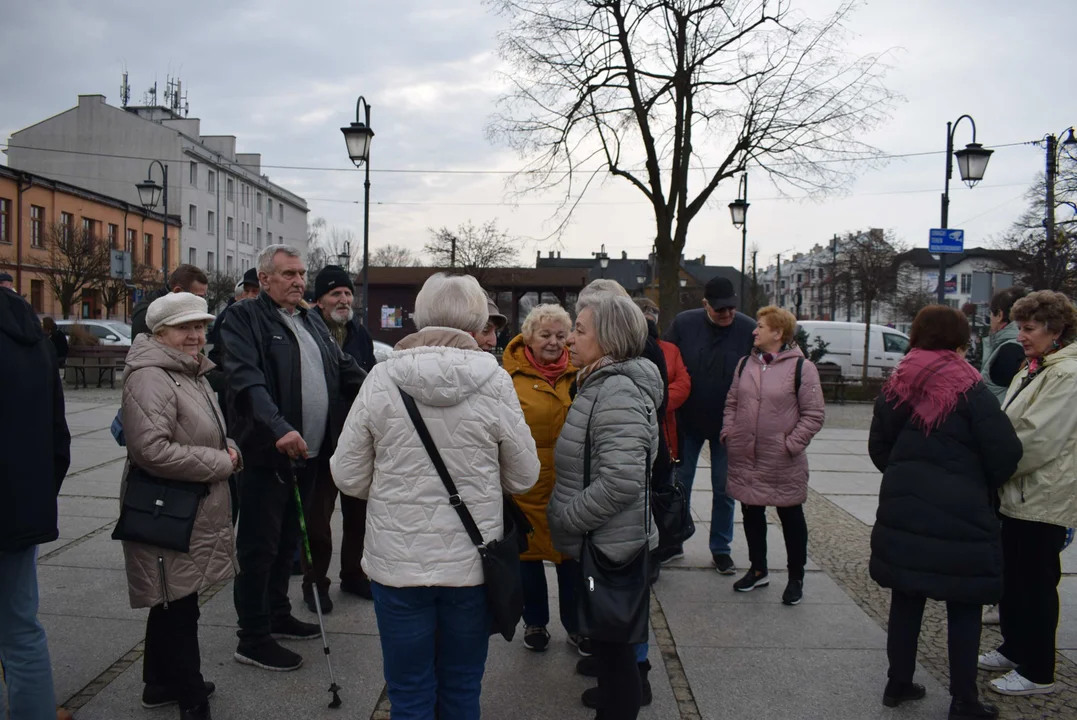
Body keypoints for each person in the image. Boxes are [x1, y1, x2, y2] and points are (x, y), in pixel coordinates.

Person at [331, 273, 540, 720]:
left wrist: (391, 488)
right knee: (462, 686)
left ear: (419, 315)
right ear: (478, 320)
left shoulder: (381, 378)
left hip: (398, 564)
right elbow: (524, 476)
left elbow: (347, 475)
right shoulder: (496, 381)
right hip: (471, 564)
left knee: (408, 692)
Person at [869, 305, 1021, 720]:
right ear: (958, 340)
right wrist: (976, 482)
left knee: (906, 597)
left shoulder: (896, 383)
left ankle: (898, 683)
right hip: (963, 512)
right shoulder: (970, 387)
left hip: (905, 507)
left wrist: (908, 478)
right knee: (965, 604)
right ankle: (963, 701)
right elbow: (1006, 452)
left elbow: (879, 448)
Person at [220, 245, 366, 672]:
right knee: (259, 547)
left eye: (302, 274)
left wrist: (390, 389)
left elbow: (344, 370)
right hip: (269, 454)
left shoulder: (309, 320)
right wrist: (278, 426)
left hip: (310, 455)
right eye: (288, 274)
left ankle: (278, 614)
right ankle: (252, 636)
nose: (299, 282)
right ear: (264, 279)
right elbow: (247, 381)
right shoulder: (244, 318)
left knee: (289, 542)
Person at [119, 293, 241, 720]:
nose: (196, 336)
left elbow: (199, 432)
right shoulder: (151, 377)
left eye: (201, 326)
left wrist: (226, 446)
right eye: (185, 327)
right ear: (159, 333)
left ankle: (159, 683)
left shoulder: (190, 373)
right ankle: (191, 696)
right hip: (166, 507)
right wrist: (220, 463)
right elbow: (150, 449)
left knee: (172, 598)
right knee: (179, 604)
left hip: (188, 505)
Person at [549, 292, 662, 720]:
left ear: (610, 340)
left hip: (612, 554)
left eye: (579, 331)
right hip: (604, 546)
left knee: (617, 658)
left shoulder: (616, 391)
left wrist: (567, 517)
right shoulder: (601, 382)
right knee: (611, 650)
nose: (569, 341)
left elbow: (621, 481)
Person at [978, 290, 1077, 698]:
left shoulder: (1066, 374)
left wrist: (993, 465)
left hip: (1043, 497)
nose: (1020, 334)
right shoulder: (1035, 367)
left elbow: (1037, 439)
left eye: (1029, 328)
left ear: (1056, 331)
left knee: (1036, 585)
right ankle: (1016, 647)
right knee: (1015, 580)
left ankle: (1039, 670)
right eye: (1019, 326)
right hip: (1017, 494)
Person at [0, 283, 72, 720]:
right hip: (21, 509)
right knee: (21, 626)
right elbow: (57, 438)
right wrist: (36, 496)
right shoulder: (33, 340)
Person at [722, 306, 825, 605]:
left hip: (782, 459)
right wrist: (729, 432)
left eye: (761, 326)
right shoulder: (745, 364)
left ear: (778, 333)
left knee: (790, 516)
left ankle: (796, 577)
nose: (754, 331)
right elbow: (731, 403)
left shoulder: (802, 368)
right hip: (746, 456)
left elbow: (814, 414)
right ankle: (758, 570)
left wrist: (790, 445)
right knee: (751, 513)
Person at [502, 303, 585, 653]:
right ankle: (534, 622)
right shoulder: (508, 376)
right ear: (529, 337)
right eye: (545, 334)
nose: (554, 342)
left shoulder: (581, 372)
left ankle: (577, 625)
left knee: (571, 559)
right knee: (529, 559)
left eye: (560, 335)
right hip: (527, 482)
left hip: (569, 483)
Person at [299, 264, 378, 608]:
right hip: (322, 440)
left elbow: (370, 377)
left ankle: (354, 575)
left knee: (358, 514)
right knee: (317, 521)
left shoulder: (360, 333)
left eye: (347, 293)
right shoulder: (308, 330)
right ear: (319, 300)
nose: (344, 299)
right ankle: (314, 582)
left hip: (358, 438)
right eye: (336, 293)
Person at [664, 276, 755, 574]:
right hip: (687, 423)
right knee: (680, 485)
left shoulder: (747, 328)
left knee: (724, 488)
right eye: (720, 310)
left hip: (728, 425)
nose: (727, 314)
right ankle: (674, 541)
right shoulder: (683, 324)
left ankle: (721, 548)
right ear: (705, 305)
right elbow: (665, 361)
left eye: (731, 308)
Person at [979, 285, 1028, 626]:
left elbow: (997, 396)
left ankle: (1000, 598)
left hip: (998, 445)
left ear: (999, 316)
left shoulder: (1009, 349)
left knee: (998, 525)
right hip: (998, 442)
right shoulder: (1009, 346)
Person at [131, 265, 210, 337]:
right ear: (177, 291)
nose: (202, 302)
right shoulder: (151, 315)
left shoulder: (169, 309)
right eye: (198, 297)